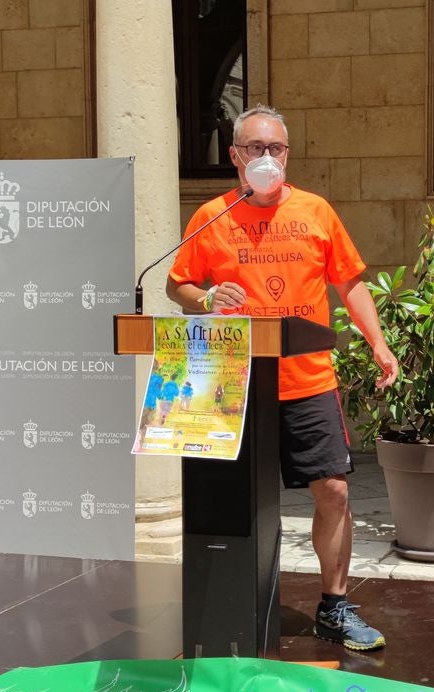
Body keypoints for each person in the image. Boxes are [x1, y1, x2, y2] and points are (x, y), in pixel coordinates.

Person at [167, 104, 399, 652]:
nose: (267, 158)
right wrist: (206, 298)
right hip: (230, 383)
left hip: (307, 379)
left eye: (276, 149)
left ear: (287, 155)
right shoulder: (211, 215)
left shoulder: (317, 211)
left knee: (334, 490)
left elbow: (352, 283)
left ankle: (334, 607)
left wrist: (378, 342)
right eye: (256, 149)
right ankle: (226, 606)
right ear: (235, 157)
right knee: (230, 502)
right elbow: (179, 285)